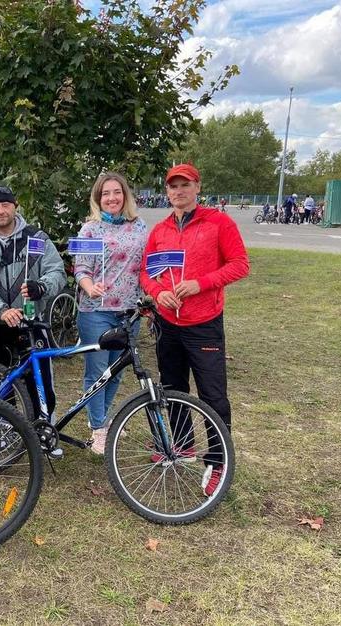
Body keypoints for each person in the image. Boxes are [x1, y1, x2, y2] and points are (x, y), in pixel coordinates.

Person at [140, 163, 249, 497]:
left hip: (204, 325)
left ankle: (217, 462)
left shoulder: (218, 222)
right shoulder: (160, 230)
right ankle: (183, 445)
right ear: (167, 192)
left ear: (197, 187)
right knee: (173, 388)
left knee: (213, 397)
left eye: (185, 185)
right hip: (167, 324)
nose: (178, 191)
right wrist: (158, 293)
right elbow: (146, 272)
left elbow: (240, 265)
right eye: (173, 186)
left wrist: (200, 284)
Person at [0, 186, 66, 425]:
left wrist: (41, 286)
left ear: (15, 206)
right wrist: (1, 311)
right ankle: (2, 427)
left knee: (39, 381)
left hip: (31, 322)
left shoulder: (37, 238)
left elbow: (57, 271)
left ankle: (43, 427)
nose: (0, 211)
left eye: (5, 204)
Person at [74, 172, 148, 454]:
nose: (112, 198)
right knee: (97, 372)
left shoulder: (139, 226)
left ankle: (103, 420)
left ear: (125, 195)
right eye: (105, 194)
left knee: (115, 372)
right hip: (96, 311)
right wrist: (89, 285)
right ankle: (98, 428)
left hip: (129, 312)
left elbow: (146, 264)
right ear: (98, 198)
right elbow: (81, 268)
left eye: (116, 192)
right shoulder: (90, 230)